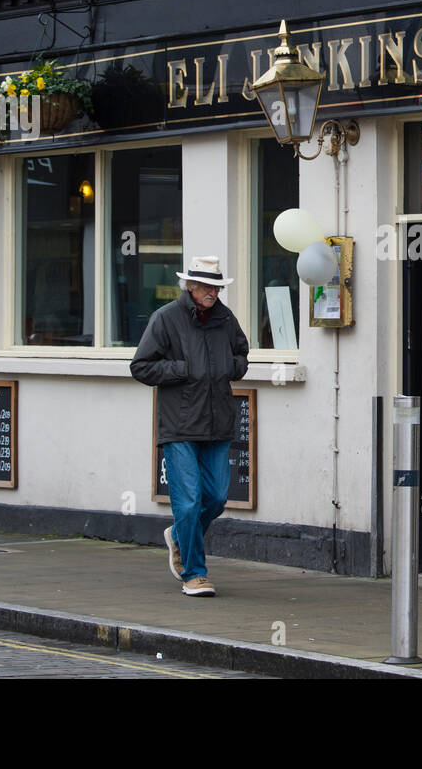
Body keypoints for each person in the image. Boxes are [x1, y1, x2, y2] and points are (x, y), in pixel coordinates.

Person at [130, 255, 249, 596]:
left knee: (216, 498)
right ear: (190, 286)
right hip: (180, 424)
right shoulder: (166, 318)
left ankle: (180, 536)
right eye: (207, 286)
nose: (213, 292)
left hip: (219, 422)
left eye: (217, 286)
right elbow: (140, 366)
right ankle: (194, 573)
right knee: (188, 502)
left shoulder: (226, 319)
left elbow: (241, 355)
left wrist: (232, 366)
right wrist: (182, 370)